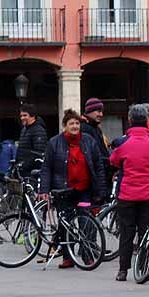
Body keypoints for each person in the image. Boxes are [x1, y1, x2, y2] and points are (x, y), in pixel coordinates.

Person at [40, 109, 106, 268]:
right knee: (65, 224)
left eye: (77, 123)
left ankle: (87, 255)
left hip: (85, 190)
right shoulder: (54, 143)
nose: (75, 126)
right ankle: (67, 257)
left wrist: (101, 189)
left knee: (86, 223)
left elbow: (98, 166)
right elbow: (46, 168)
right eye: (72, 124)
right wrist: (44, 190)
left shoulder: (89, 141)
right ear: (65, 126)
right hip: (64, 191)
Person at [108, 104, 149, 282]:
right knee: (146, 231)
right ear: (146, 121)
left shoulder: (123, 142)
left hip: (127, 194)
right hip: (148, 194)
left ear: (130, 120)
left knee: (126, 231)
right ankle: (144, 267)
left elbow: (114, 161)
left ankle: (123, 270)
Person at [81, 97, 111, 190]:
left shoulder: (95, 128)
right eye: (98, 111)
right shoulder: (86, 129)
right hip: (94, 177)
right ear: (90, 111)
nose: (101, 114)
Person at [17, 103, 48, 177]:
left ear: (32, 116)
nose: (22, 118)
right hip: (23, 168)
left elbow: (39, 152)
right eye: (21, 115)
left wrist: (25, 165)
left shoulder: (38, 130)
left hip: (31, 170)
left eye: (25, 115)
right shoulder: (24, 129)